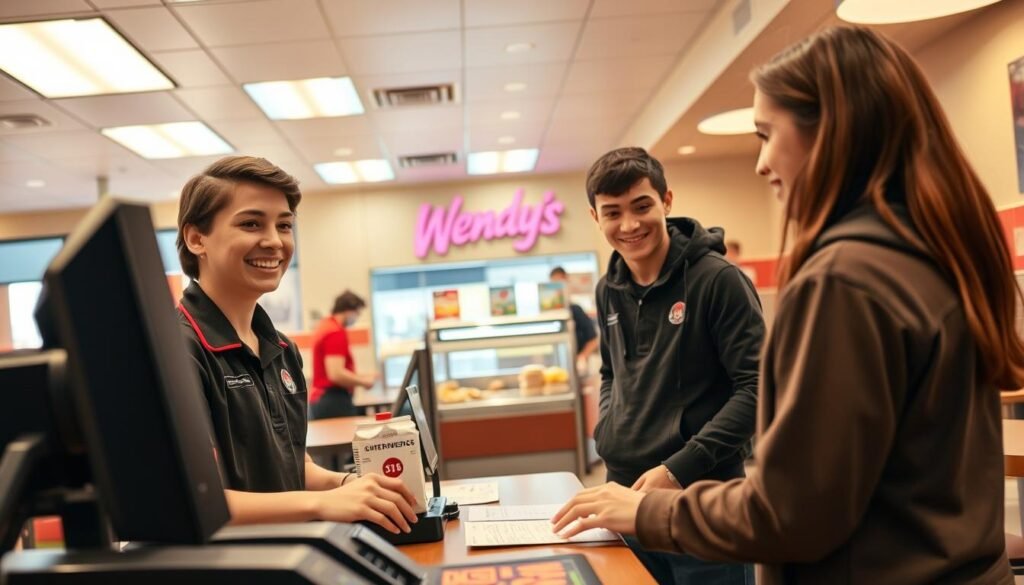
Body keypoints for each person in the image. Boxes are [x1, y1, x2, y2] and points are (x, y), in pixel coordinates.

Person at [553, 26, 1024, 585]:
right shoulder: (931, 249)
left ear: (831, 134)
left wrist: (650, 510)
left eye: (766, 133)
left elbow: (793, 511)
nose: (761, 162)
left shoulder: (843, 281)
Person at [176, 155, 418, 533]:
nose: (274, 241)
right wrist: (324, 503)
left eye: (284, 225)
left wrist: (347, 484)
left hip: (288, 554)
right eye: (251, 223)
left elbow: (294, 466)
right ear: (196, 238)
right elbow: (196, 499)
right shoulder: (178, 351)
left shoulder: (282, 350)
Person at [581, 146, 765, 584]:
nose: (628, 225)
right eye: (612, 213)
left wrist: (677, 468)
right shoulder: (608, 289)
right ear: (595, 218)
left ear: (666, 201)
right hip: (623, 496)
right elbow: (611, 372)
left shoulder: (718, 280)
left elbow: (758, 389)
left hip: (700, 500)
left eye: (641, 206)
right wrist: (609, 430)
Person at [310, 290, 377, 419]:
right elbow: (336, 374)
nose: (356, 318)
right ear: (348, 310)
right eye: (357, 313)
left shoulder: (325, 325)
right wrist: (364, 382)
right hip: (333, 399)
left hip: (322, 398)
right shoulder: (335, 332)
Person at [548, 266, 598, 373]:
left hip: (579, 368)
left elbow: (593, 340)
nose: (559, 288)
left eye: (561, 282)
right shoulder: (550, 314)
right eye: (554, 284)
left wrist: (582, 357)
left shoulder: (575, 310)